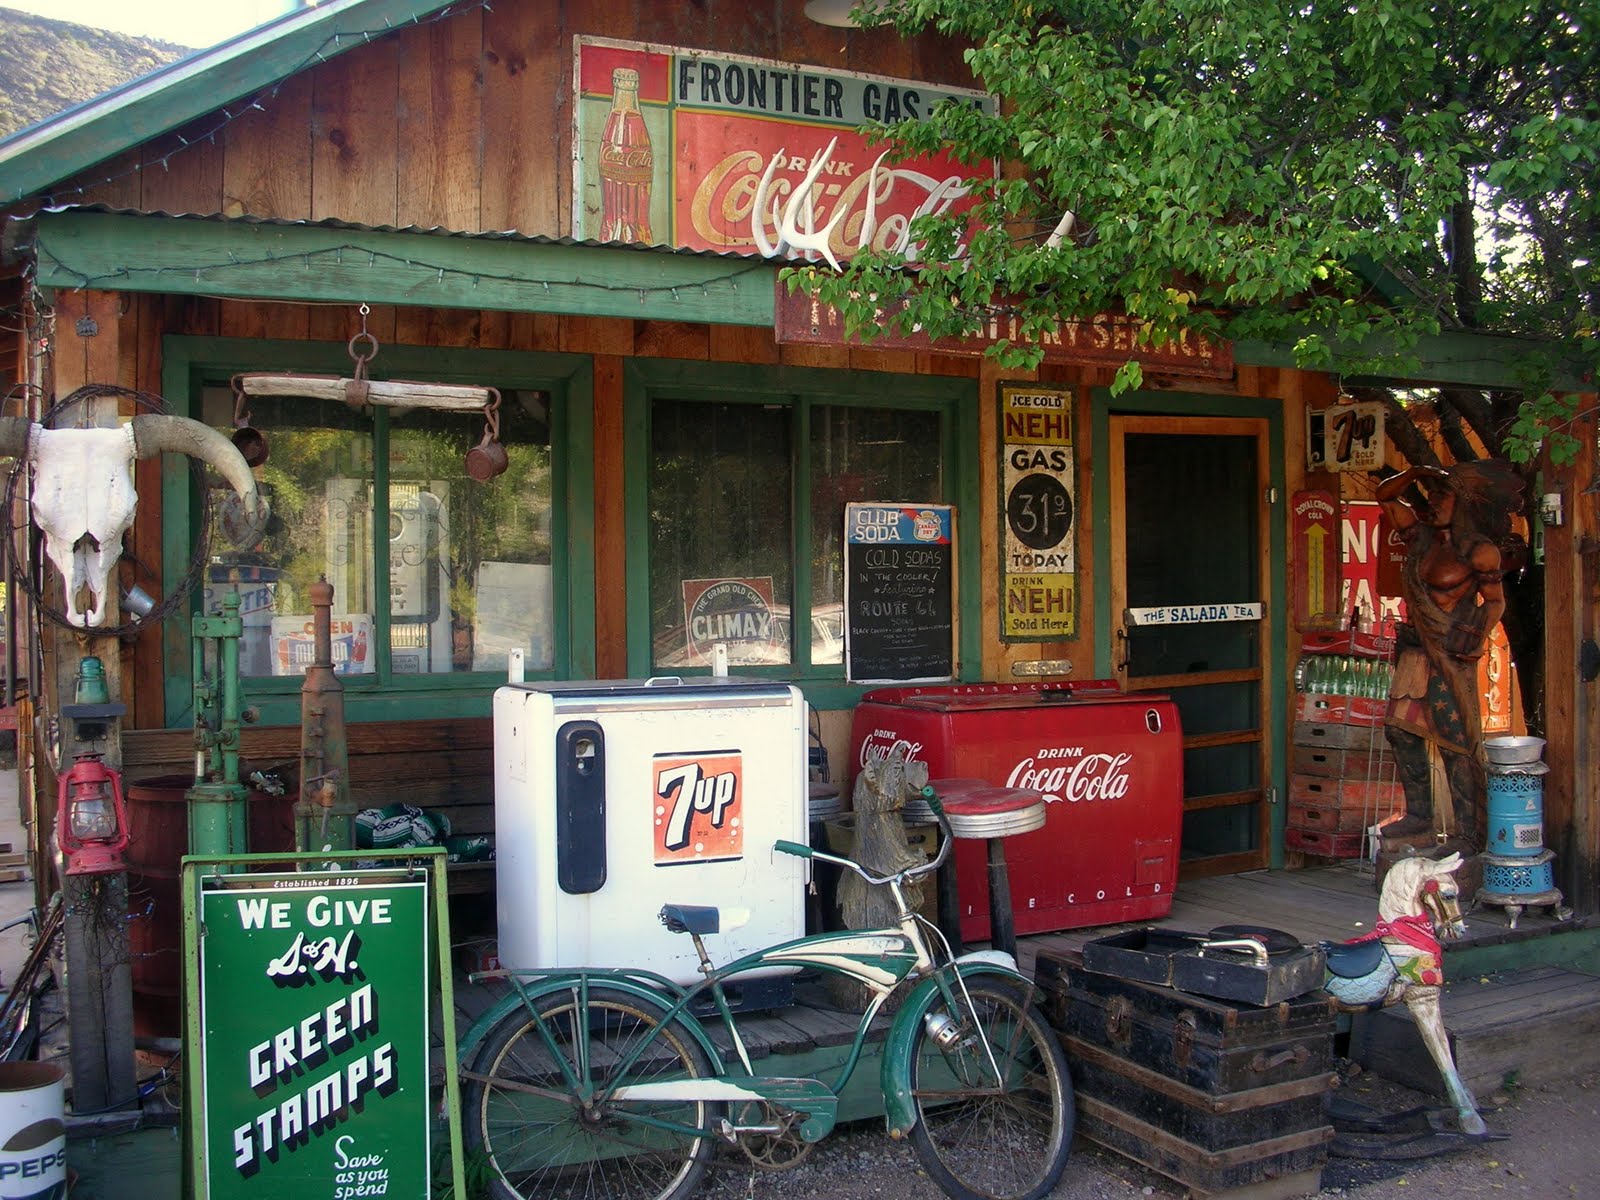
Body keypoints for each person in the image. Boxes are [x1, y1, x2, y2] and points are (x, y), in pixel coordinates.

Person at [1377, 460, 1524, 844]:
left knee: (1454, 740)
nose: (1433, 502)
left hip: (1450, 653)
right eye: (1432, 495)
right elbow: (1385, 495)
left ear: (1463, 504)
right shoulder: (1419, 537)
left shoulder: (1478, 550)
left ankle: (1468, 830)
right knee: (1400, 731)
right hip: (1415, 650)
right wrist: (1419, 473)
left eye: (1443, 496)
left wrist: (1472, 635)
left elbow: (1494, 601)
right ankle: (1419, 817)